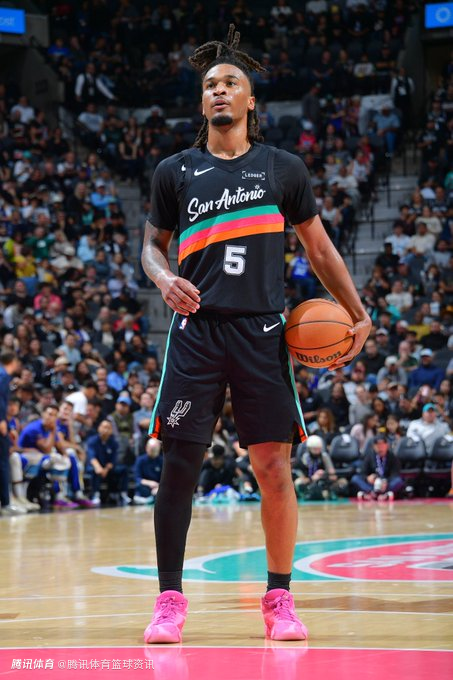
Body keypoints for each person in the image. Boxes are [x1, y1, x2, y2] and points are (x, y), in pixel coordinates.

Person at [140, 25, 371, 645]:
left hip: (263, 333)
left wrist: (358, 312)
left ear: (250, 100)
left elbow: (320, 250)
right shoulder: (174, 171)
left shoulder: (282, 168)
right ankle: (169, 601)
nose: (219, 90)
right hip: (194, 333)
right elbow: (151, 247)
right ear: (203, 102)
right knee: (179, 465)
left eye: (231, 82)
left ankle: (279, 598)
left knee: (273, 466)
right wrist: (163, 278)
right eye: (211, 84)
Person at [0, 352, 26, 516]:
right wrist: (2, 420)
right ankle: (5, 503)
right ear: (13, 361)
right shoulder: (3, 375)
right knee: (3, 463)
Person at [351, 433, 404, 501]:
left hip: (386, 484)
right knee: (355, 478)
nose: (380, 447)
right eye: (378, 445)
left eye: (382, 444)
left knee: (399, 481)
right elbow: (362, 472)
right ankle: (372, 493)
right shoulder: (369, 456)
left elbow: (395, 474)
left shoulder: (393, 457)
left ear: (387, 445)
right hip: (372, 484)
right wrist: (367, 478)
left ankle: (384, 494)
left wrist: (386, 481)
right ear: (374, 446)